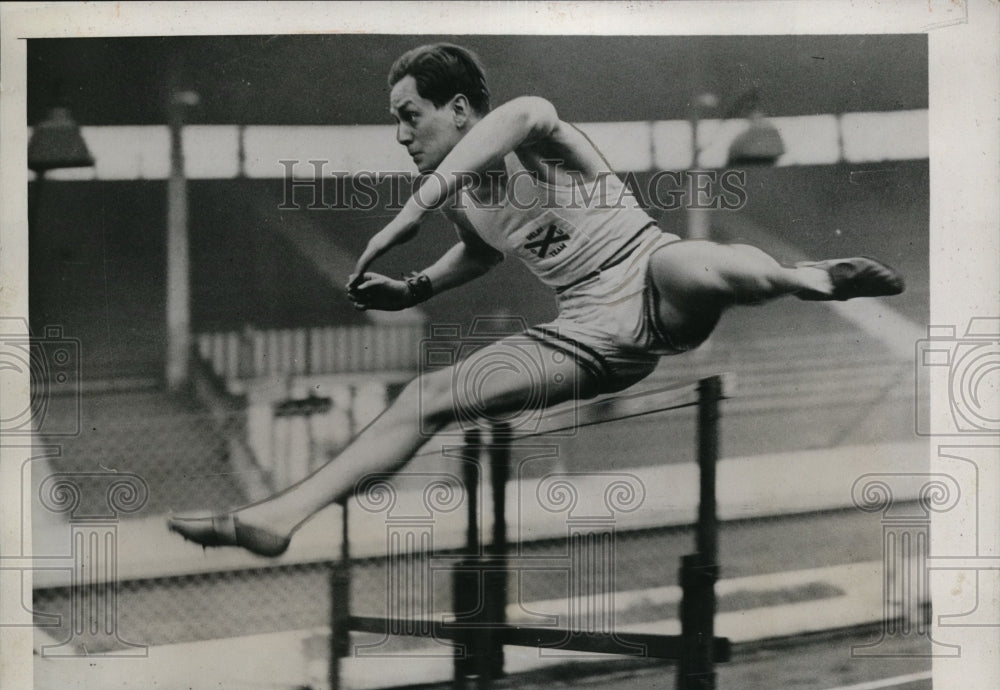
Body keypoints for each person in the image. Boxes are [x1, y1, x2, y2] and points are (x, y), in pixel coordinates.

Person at [168, 43, 903, 556]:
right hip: (589, 337)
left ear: (459, 109)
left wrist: (410, 211)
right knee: (428, 396)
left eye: (410, 114)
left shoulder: (531, 130)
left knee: (697, 262)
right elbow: (486, 247)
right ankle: (278, 518)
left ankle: (804, 279)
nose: (400, 134)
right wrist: (415, 285)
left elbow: (525, 118)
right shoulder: (467, 199)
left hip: (651, 278)